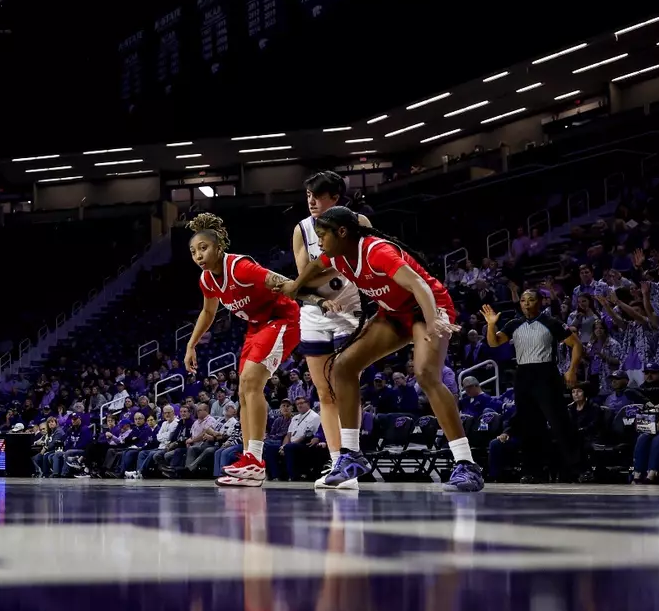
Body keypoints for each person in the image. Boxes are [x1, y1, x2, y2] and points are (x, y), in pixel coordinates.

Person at [285, 206, 482, 491]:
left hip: (427, 306)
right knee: (342, 366)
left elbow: (419, 285)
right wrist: (296, 285)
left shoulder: (378, 251)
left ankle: (467, 465)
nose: (319, 242)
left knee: (426, 374)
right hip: (393, 313)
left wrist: (433, 322)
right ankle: (351, 456)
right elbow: (315, 266)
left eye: (323, 235)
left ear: (342, 232)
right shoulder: (338, 255)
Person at [182, 213, 301, 487]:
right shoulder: (207, 280)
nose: (198, 255)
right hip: (256, 327)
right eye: (193, 252)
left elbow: (282, 282)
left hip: (282, 318)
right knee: (243, 390)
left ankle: (256, 461)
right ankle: (250, 460)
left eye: (203, 248)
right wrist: (191, 344)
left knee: (250, 382)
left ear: (219, 247)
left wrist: (318, 298)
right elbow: (208, 312)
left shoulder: (240, 267)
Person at [292, 171, 368, 481]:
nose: (311, 200)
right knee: (324, 393)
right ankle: (337, 462)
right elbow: (302, 283)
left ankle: (352, 457)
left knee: (344, 385)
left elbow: (369, 263)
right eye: (308, 194)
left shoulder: (357, 222)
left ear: (334, 198)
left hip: (349, 310)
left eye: (318, 195)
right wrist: (320, 299)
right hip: (314, 312)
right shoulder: (301, 229)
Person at [483, 290, 583, 481]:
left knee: (559, 422)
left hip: (546, 372)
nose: (526, 303)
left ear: (540, 302)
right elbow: (494, 343)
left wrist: (572, 370)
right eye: (523, 300)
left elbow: (577, 345)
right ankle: (533, 470)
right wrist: (491, 324)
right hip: (523, 374)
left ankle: (577, 468)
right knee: (529, 424)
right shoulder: (514, 324)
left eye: (531, 300)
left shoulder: (550, 322)